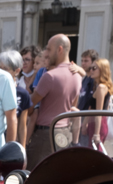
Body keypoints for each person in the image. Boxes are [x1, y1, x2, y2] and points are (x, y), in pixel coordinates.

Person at [28, 34, 81, 167]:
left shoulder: (49, 76)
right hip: (64, 132)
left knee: (33, 174)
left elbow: (30, 105)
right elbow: (73, 106)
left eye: (49, 50)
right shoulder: (77, 76)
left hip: (45, 134)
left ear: (60, 49)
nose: (47, 53)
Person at [0, 49, 31, 147]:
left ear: (17, 71)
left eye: (5, 69)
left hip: (10, 144)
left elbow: (22, 126)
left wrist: (22, 149)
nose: (1, 72)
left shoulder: (23, 94)